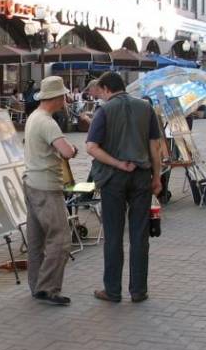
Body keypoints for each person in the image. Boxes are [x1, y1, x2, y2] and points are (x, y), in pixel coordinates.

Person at [86, 71, 162, 304]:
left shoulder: (105, 111)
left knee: (114, 235)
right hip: (141, 176)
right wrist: (156, 177)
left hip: (113, 178)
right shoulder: (146, 108)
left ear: (107, 89)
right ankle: (138, 290)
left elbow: (91, 147)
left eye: (101, 91)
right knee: (140, 235)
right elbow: (155, 147)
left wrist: (118, 163)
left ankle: (113, 290)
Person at [23, 76, 79, 306]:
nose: (65, 100)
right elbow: (66, 151)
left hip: (31, 182)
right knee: (61, 240)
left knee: (36, 241)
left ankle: (36, 285)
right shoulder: (47, 122)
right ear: (56, 98)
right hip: (46, 186)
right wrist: (74, 148)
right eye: (63, 96)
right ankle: (48, 288)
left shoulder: (33, 117)